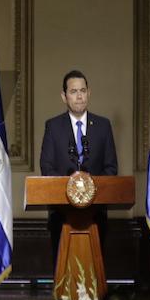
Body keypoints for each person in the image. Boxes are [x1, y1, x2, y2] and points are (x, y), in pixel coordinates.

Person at [40, 70, 118, 261]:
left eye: (83, 91)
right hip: (62, 213)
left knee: (94, 267)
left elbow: (111, 168)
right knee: (62, 266)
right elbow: (47, 167)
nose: (79, 96)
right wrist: (73, 189)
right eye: (73, 91)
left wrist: (89, 190)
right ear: (64, 96)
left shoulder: (103, 126)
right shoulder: (53, 126)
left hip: (96, 213)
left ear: (89, 93)